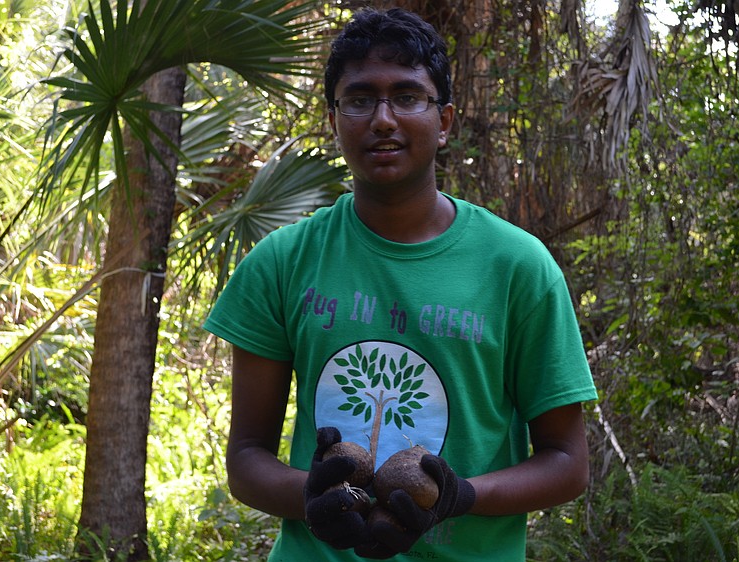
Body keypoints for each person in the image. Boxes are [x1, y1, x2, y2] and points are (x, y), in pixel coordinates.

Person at [203, 7, 598, 561]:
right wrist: (314, 497)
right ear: (335, 118)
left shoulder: (518, 267)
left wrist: (460, 496)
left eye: (408, 97)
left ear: (446, 122)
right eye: (359, 99)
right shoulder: (283, 261)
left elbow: (566, 462)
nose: (382, 119)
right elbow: (247, 456)